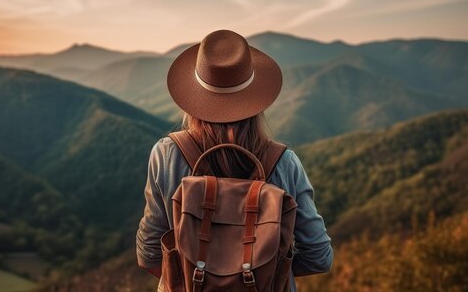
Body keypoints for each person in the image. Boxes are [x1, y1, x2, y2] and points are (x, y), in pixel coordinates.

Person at [136, 29, 333, 291]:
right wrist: (265, 273)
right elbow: (318, 257)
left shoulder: (166, 155)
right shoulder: (285, 163)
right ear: (256, 99)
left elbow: (149, 253)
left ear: (194, 96)